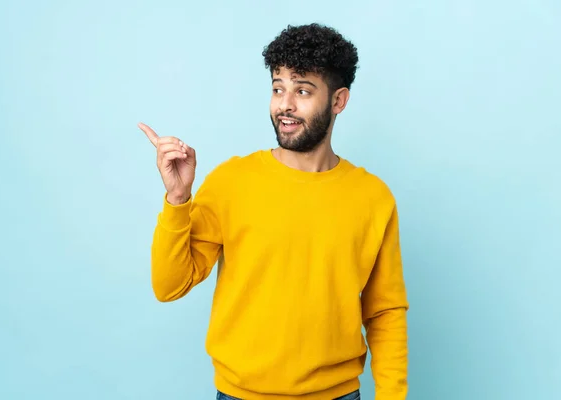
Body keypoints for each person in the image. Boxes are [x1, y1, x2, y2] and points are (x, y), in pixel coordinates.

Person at [139, 23, 409, 400]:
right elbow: (169, 286)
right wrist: (178, 200)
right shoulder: (232, 181)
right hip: (240, 395)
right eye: (278, 88)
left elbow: (385, 312)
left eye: (302, 91)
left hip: (338, 394)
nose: (285, 104)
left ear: (338, 100)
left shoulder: (373, 197)